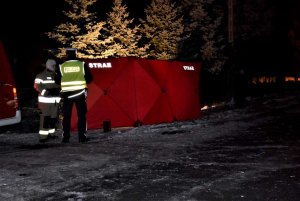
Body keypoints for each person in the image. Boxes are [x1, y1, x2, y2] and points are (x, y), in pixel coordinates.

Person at [58, 48, 93, 143]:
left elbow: (57, 81)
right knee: (81, 115)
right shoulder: (81, 65)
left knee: (66, 116)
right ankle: (82, 137)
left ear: (67, 54)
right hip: (80, 94)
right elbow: (90, 79)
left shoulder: (62, 66)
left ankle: (66, 138)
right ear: (75, 53)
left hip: (67, 95)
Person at [34, 58, 61, 143]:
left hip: (55, 101)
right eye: (53, 65)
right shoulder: (40, 75)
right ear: (48, 65)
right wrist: (47, 92)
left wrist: (58, 91)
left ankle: (51, 134)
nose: (54, 67)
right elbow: (37, 87)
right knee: (45, 119)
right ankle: (43, 137)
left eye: (55, 65)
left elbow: (60, 86)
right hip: (45, 102)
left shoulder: (57, 75)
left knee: (53, 119)